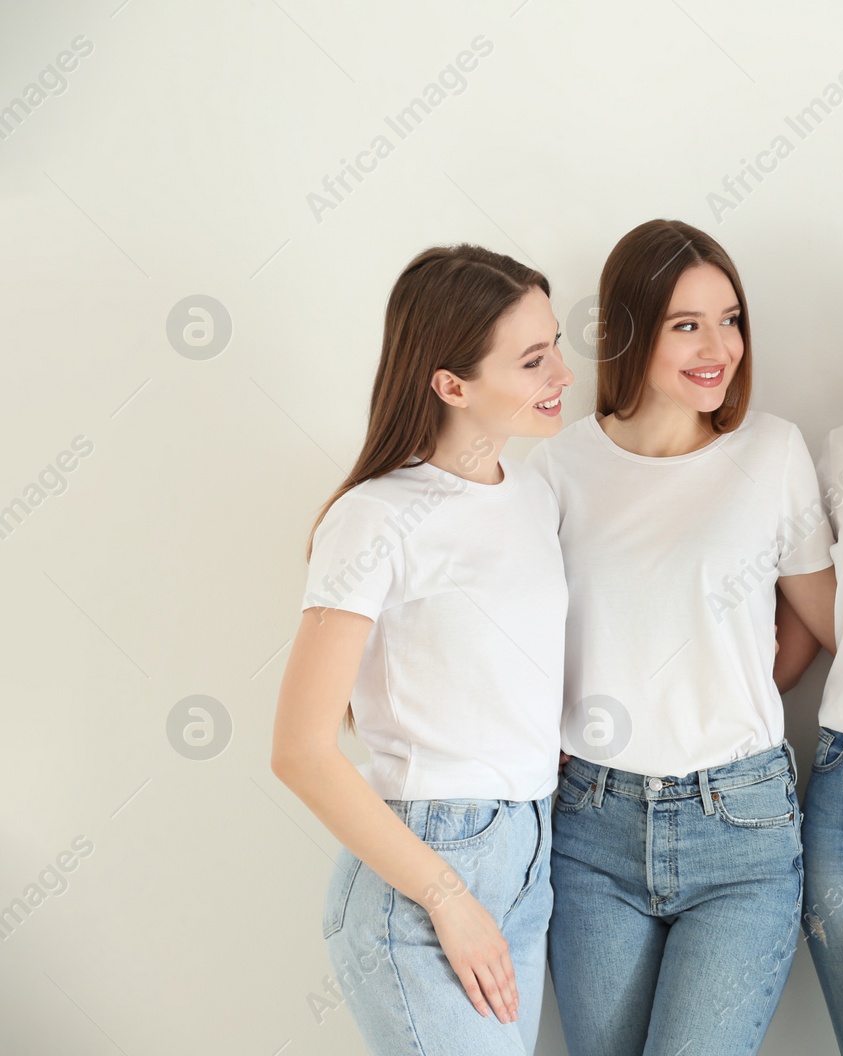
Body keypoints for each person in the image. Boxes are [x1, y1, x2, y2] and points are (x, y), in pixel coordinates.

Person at [530, 219, 836, 1056]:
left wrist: (728, 685)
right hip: (593, 825)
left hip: (740, 827)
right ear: (628, 333)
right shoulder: (558, 468)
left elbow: (821, 618)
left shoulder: (771, 453)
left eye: (730, 319)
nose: (718, 347)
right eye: (686, 324)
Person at [271, 244, 573, 1054]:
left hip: (528, 855)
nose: (563, 376)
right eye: (534, 359)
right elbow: (300, 752)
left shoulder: (535, 495)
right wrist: (447, 897)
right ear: (451, 385)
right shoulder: (374, 518)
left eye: (557, 348)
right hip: (426, 872)